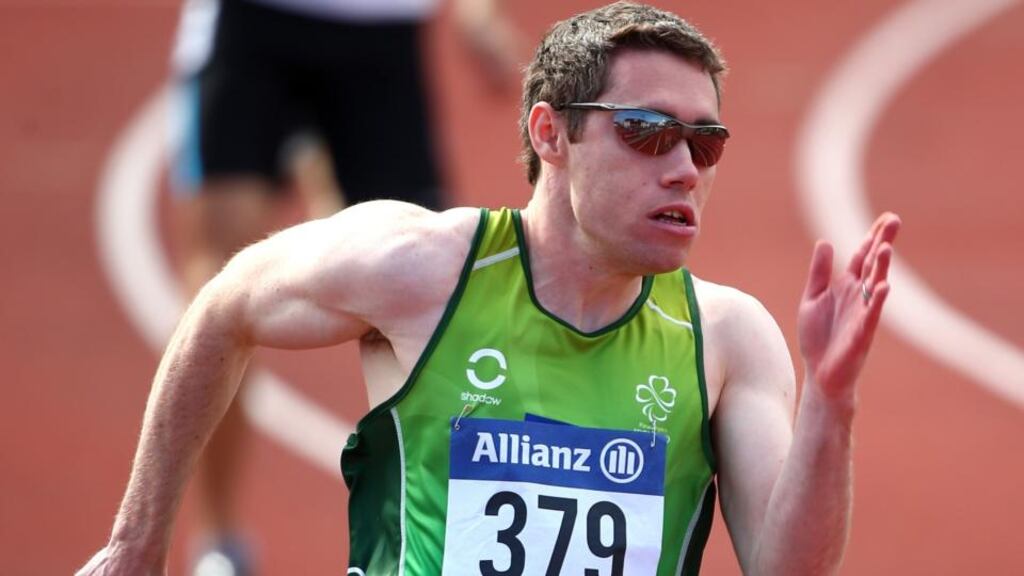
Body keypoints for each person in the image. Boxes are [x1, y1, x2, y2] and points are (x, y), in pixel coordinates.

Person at [80, 2, 902, 574]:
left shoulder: (727, 337)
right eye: (648, 133)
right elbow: (223, 305)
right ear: (552, 133)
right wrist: (137, 543)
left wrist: (832, 404)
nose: (685, 168)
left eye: (705, 143)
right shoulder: (424, 270)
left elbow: (789, 567)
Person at [167, 0, 523, 572]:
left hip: (382, 26)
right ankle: (218, 545)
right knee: (219, 274)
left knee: (426, 289)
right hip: (252, 24)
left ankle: (435, 538)